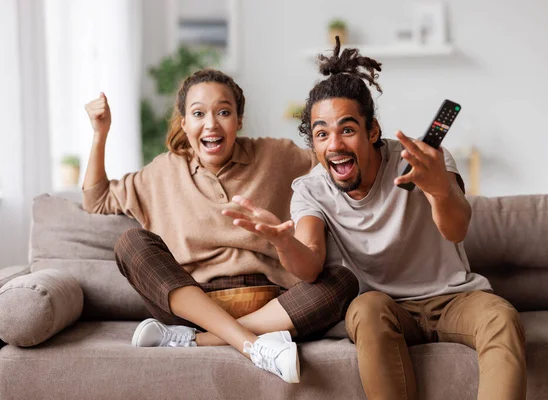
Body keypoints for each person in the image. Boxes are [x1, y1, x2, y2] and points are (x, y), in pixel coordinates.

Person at [225, 39, 526, 399]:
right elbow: (309, 266)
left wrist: (439, 189)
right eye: (322, 134)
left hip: (453, 298)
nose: (334, 144)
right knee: (366, 308)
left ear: (372, 131)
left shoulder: (423, 159)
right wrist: (283, 241)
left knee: (501, 317)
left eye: (347, 129)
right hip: (384, 308)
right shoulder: (311, 190)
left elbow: (457, 228)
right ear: (314, 145)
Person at [82, 68, 358, 384]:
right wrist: (99, 133)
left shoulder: (277, 155)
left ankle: (195, 341)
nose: (211, 123)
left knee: (343, 281)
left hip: (274, 304)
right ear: (184, 123)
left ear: (239, 120)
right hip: (191, 308)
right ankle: (254, 345)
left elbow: (337, 159)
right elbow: (97, 200)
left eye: (223, 112)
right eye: (198, 113)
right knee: (130, 242)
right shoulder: (162, 171)